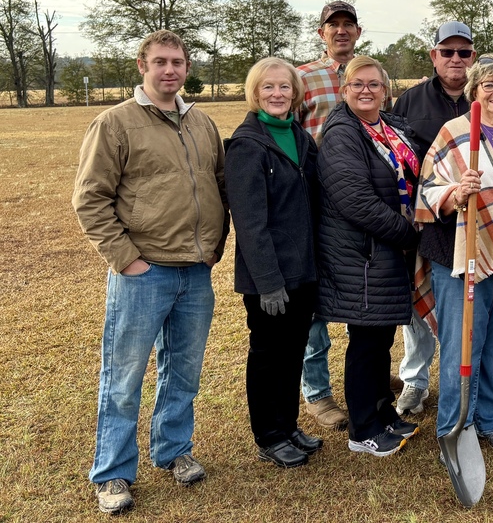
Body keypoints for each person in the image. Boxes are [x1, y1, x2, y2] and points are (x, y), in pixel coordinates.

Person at [72, 31, 229, 515]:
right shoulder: (114, 123)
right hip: (143, 274)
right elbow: (90, 199)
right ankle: (113, 473)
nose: (169, 70)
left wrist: (214, 247)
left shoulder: (201, 123)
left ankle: (174, 451)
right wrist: (127, 259)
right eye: (160, 61)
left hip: (194, 273)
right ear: (142, 65)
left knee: (183, 373)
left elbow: (221, 186)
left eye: (178, 62)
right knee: (123, 378)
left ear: (186, 68)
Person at [415, 53, 493, 450]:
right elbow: (426, 190)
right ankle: (455, 427)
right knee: (463, 343)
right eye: (488, 85)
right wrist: (456, 193)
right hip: (463, 253)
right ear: (474, 90)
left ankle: (489, 418)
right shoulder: (455, 132)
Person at [316, 56, 422, 457]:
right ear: (344, 90)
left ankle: (384, 414)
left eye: (374, 84)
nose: (366, 90)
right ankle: (363, 429)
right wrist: (408, 233)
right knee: (365, 340)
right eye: (357, 84)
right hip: (362, 253)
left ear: (386, 89)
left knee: (381, 336)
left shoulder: (391, 125)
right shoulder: (343, 132)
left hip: (387, 251)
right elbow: (355, 200)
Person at [296, 0, 390, 431]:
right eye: (332, 26)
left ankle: (366, 375)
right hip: (317, 202)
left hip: (362, 204)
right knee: (316, 303)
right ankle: (317, 391)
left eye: (347, 25)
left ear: (357, 31)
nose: (340, 32)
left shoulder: (371, 74)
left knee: (361, 294)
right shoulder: (302, 78)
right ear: (321, 33)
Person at [225, 58, 322, 469]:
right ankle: (269, 434)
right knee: (268, 354)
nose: (278, 94)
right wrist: (267, 281)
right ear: (255, 92)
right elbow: (249, 223)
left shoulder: (299, 137)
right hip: (270, 278)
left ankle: (288, 425)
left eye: (285, 87)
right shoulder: (247, 144)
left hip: (302, 272)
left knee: (293, 351)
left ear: (296, 93)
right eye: (269, 88)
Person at [392, 21, 476, 416]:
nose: (456, 59)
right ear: (434, 56)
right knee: (418, 304)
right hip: (428, 220)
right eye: (448, 52)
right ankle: (415, 380)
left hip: (480, 222)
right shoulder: (410, 102)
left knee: (470, 306)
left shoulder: (486, 95)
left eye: (464, 52)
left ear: (473, 57)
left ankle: (467, 384)